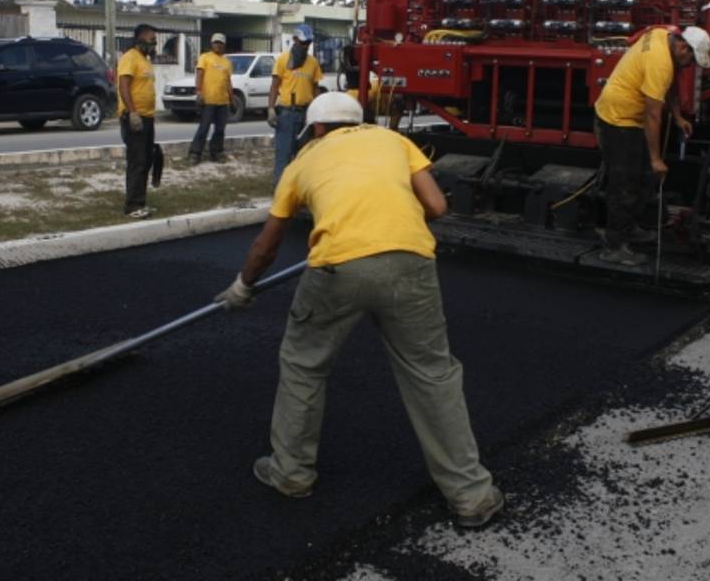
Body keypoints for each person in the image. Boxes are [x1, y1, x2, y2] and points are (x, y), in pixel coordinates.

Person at [215, 92, 504, 528]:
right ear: (358, 121)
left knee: (303, 364)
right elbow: (438, 206)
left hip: (336, 269)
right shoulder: (392, 140)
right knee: (432, 374)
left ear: (315, 129)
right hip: (411, 263)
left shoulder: (303, 162)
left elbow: (267, 244)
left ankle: (291, 474)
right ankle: (472, 496)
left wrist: (243, 286)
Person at [592, 25, 710, 265]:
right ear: (682, 46)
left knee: (644, 176)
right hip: (617, 120)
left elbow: (674, 83)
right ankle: (613, 246)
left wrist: (677, 117)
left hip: (629, 118)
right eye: (691, 58)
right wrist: (656, 159)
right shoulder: (659, 63)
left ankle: (629, 228)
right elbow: (653, 115)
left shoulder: (662, 36)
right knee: (625, 183)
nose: (690, 64)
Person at [267, 24, 323, 184]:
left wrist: (318, 112)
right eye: (303, 42)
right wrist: (270, 109)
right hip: (286, 114)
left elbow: (315, 89)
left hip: (306, 114)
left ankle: (299, 193)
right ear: (295, 39)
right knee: (283, 154)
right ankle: (280, 190)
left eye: (308, 43)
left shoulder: (313, 63)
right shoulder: (283, 60)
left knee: (304, 155)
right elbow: (274, 86)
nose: (306, 46)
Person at [117, 24, 159, 219]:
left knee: (147, 160)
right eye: (152, 40)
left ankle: (140, 202)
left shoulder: (145, 61)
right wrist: (133, 113)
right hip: (134, 117)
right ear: (140, 39)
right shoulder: (130, 57)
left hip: (148, 117)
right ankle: (132, 206)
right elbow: (123, 86)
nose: (154, 44)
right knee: (137, 160)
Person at [188, 33, 233, 164]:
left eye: (220, 43)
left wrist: (231, 98)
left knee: (220, 129)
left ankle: (217, 152)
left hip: (223, 101)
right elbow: (199, 75)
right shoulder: (205, 58)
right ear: (211, 44)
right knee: (204, 128)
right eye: (215, 43)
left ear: (224, 45)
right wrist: (198, 92)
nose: (218, 45)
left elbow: (228, 81)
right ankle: (195, 153)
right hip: (208, 100)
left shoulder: (227, 62)